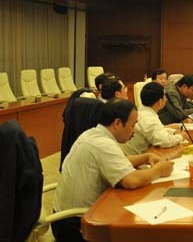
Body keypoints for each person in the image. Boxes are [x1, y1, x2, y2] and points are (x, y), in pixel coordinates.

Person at [52, 99, 174, 242]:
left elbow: (116, 162)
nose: (134, 131)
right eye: (133, 125)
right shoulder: (103, 144)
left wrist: (146, 157)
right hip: (75, 225)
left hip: (66, 217)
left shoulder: (92, 133)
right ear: (117, 123)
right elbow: (131, 180)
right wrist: (159, 170)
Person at [121, 82, 186, 155]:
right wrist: (180, 137)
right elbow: (163, 141)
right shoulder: (148, 118)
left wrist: (173, 132)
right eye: (165, 96)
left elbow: (158, 130)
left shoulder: (143, 111)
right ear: (160, 102)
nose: (166, 99)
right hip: (134, 158)